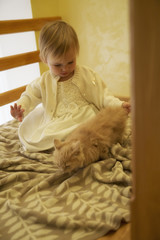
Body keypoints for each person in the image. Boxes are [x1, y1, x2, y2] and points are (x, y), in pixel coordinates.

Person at [10, 20, 131, 152]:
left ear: (76, 54)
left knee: (91, 132)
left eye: (70, 62)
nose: (65, 69)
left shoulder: (86, 75)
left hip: (82, 118)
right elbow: (30, 95)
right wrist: (21, 107)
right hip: (55, 120)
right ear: (45, 59)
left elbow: (103, 96)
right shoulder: (44, 81)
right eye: (57, 65)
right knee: (45, 136)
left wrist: (119, 105)